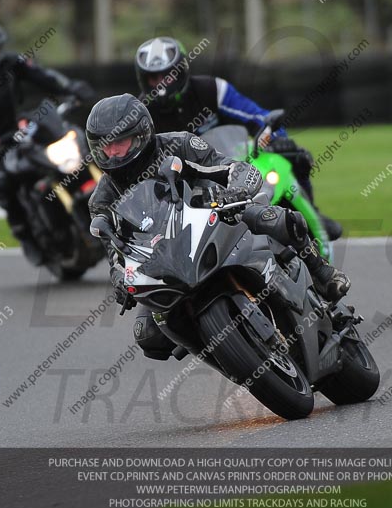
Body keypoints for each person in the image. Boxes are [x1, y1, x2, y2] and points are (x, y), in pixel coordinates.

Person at [86, 94, 351, 360]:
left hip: (218, 216)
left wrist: (236, 191)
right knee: (149, 335)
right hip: (165, 258)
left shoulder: (179, 143)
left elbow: (231, 167)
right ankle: (227, 357)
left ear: (141, 133)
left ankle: (322, 272)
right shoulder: (102, 199)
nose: (112, 152)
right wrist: (119, 278)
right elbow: (115, 254)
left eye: (119, 143)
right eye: (105, 146)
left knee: (278, 219)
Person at [134, 36, 343, 241]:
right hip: (184, 185)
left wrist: (275, 136)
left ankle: (312, 215)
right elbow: (136, 156)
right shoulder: (140, 113)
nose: (161, 83)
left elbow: (255, 115)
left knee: (293, 154)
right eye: (154, 78)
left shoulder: (212, 90)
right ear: (143, 80)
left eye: (167, 76)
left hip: (235, 163)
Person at [0, 19, 93, 264]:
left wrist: (71, 87)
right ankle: (25, 233)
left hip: (21, 127)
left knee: (69, 149)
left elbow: (43, 76)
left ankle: (90, 201)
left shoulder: (13, 63)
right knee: (4, 183)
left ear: (0, 49)